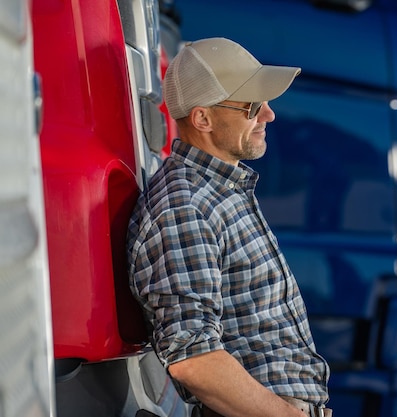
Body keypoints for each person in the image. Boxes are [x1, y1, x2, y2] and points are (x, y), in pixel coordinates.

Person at [126, 38, 331, 417]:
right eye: (252, 106)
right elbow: (193, 358)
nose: (269, 115)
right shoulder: (185, 206)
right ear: (202, 118)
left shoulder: (219, 191)